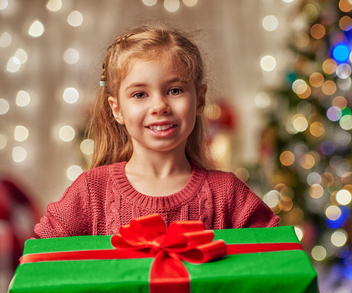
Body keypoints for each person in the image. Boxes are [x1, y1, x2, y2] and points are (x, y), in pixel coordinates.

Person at [34, 24, 279, 238]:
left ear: (200, 101)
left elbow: (278, 261)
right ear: (117, 109)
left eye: (174, 90)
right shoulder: (90, 191)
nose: (159, 106)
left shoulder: (228, 194)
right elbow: (39, 263)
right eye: (140, 94)